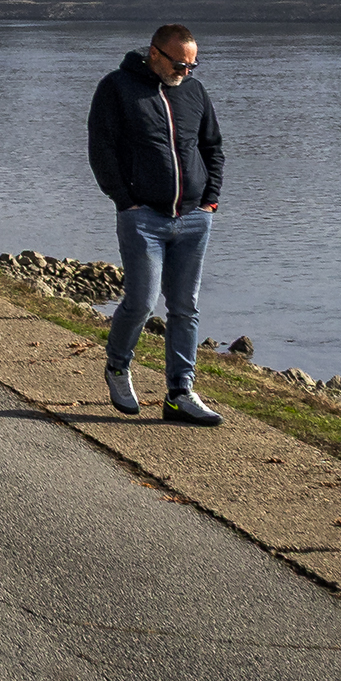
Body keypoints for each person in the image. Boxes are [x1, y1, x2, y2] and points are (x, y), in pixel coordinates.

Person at [86, 22, 224, 425]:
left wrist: (210, 199)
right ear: (154, 53)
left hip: (195, 217)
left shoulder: (194, 92)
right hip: (142, 216)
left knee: (185, 307)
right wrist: (124, 201)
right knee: (142, 302)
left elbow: (212, 145)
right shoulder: (117, 88)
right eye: (180, 64)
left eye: (192, 65)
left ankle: (180, 393)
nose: (185, 72)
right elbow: (102, 148)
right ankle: (117, 366)